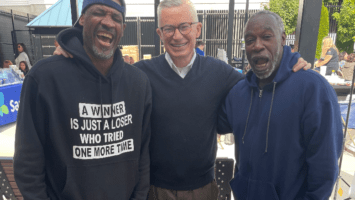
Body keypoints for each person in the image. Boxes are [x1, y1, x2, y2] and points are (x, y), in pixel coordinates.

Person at [53, 1, 309, 199]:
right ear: (159, 33)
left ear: (197, 28)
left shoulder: (220, 73)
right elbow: (101, 72)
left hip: (204, 189)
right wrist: (74, 48)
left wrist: (288, 63)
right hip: (155, 189)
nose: (177, 36)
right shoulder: (139, 74)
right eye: (169, 28)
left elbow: (258, 81)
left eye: (184, 26)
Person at [14, 0, 152, 199]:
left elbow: (143, 157)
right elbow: (28, 163)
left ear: (122, 28)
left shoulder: (139, 83)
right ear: (82, 20)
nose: (108, 22)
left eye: (116, 17)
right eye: (99, 12)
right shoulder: (44, 77)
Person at [224, 11, 343, 200]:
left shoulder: (313, 89)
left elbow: (325, 168)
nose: (257, 45)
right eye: (249, 40)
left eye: (266, 37)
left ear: (282, 39)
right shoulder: (238, 93)